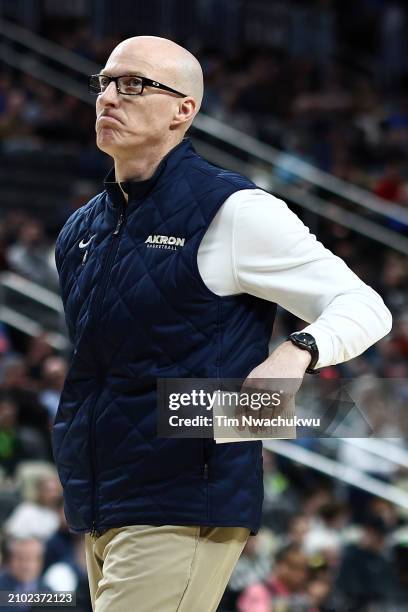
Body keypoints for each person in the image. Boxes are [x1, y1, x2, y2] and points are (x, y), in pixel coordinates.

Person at [53, 36, 392, 612]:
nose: (109, 96)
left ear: (184, 109)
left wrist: (295, 352)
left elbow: (365, 306)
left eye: (133, 84)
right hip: (100, 501)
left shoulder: (235, 210)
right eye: (104, 82)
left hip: (186, 496)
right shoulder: (80, 229)